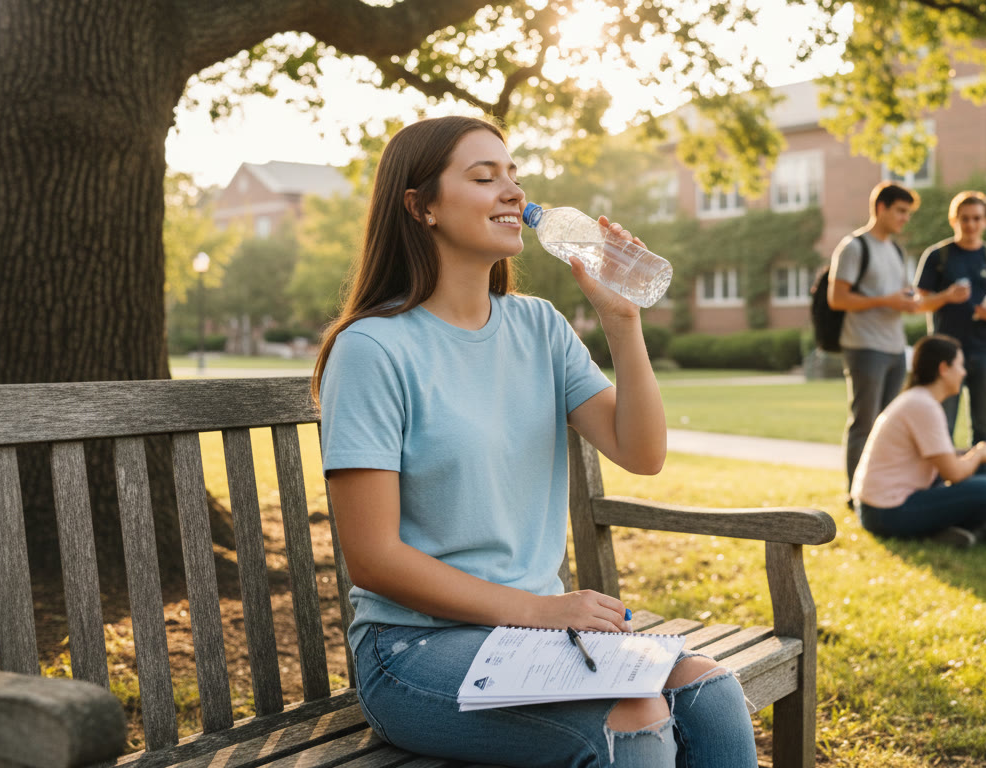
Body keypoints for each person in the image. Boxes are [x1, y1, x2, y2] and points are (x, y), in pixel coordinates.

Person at [313, 116, 756, 767]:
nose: (512, 192)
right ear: (421, 206)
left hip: (532, 642)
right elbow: (374, 559)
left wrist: (621, 320)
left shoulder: (538, 326)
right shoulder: (372, 350)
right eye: (484, 177)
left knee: (708, 691)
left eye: (514, 175)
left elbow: (643, 452)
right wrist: (540, 610)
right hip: (413, 653)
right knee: (633, 715)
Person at [851, 334, 986, 549]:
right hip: (885, 512)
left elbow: (944, 460)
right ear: (943, 368)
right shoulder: (924, 406)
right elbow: (953, 473)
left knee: (978, 467)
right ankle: (944, 529)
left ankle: (946, 529)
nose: (964, 372)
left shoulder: (918, 399)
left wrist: (975, 454)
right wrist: (979, 452)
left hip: (875, 507)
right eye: (960, 365)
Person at [828, 181, 922, 495]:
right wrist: (886, 301)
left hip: (895, 348)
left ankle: (879, 489)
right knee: (864, 424)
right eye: (900, 211)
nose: (905, 218)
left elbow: (900, 295)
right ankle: (856, 494)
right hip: (864, 347)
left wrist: (908, 301)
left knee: (887, 428)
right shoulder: (855, 246)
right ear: (881, 208)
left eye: (908, 212)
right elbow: (837, 299)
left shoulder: (896, 250)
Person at [914, 190, 986, 455]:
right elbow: (919, 304)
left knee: (982, 428)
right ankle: (940, 486)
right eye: (964, 219)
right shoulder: (938, 256)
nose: (970, 224)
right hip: (945, 355)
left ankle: (981, 489)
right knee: (941, 426)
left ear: (985, 221)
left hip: (985, 351)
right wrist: (947, 296)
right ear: (953, 220)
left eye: (976, 218)